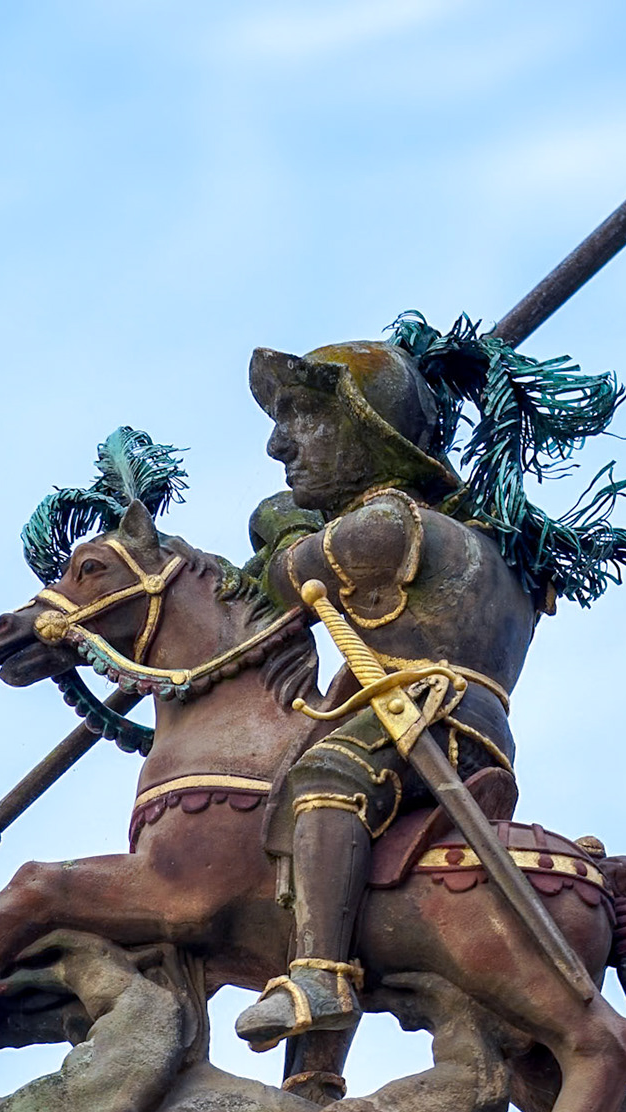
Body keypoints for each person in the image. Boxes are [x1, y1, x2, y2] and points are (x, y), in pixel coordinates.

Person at [232, 340, 539, 1050]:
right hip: (466, 723)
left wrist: (278, 518)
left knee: (326, 779)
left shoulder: (388, 525)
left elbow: (283, 582)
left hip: (423, 714)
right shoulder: (485, 544)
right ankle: (315, 1068)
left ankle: (321, 978)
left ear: (365, 431)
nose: (280, 444)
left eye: (304, 417)